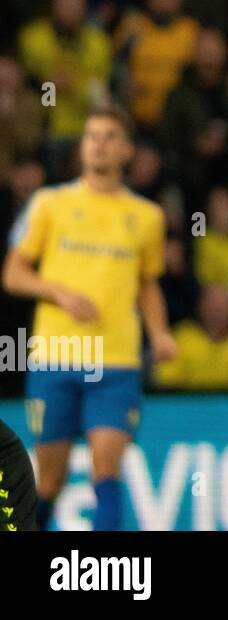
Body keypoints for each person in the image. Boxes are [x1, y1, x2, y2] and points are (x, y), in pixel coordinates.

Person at [2, 105, 178, 531]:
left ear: (127, 150)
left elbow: (147, 283)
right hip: (56, 355)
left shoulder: (147, 217)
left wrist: (159, 332)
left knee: (106, 466)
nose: (98, 143)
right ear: (81, 148)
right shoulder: (49, 203)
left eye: (109, 136)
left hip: (116, 360)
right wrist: (58, 291)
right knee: (50, 481)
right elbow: (13, 273)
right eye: (91, 135)